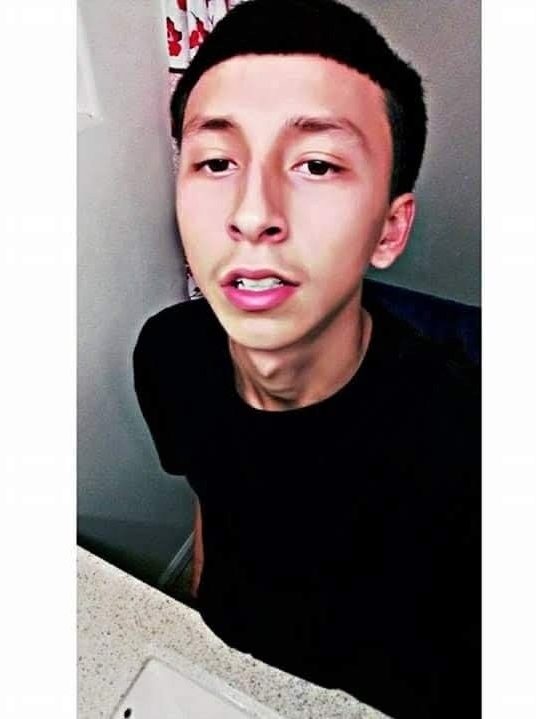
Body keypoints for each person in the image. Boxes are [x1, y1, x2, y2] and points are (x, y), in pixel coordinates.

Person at [133, 0, 480, 716]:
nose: (252, 213)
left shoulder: (465, 438)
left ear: (388, 230)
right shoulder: (168, 353)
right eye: (217, 162)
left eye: (316, 165)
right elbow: (210, 493)